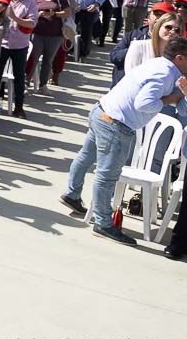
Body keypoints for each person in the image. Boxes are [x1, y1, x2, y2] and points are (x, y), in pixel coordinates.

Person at [59, 36, 187, 246]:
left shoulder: (160, 65)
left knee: (86, 156)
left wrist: (182, 95)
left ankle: (72, 194)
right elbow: (144, 104)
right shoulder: (165, 74)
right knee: (107, 175)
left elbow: (182, 109)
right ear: (180, 58)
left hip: (102, 112)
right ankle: (103, 223)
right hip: (116, 124)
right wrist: (170, 99)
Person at [0, 0, 38, 120]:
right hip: (2, 43)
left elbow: (32, 23)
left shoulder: (30, 3)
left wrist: (15, 18)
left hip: (20, 45)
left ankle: (19, 107)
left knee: (19, 77)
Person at [30, 0, 71, 93]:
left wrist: (55, 14)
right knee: (33, 58)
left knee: (48, 60)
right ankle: (26, 82)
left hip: (55, 35)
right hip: (38, 33)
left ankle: (43, 85)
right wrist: (39, 14)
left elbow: (67, 12)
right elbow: (30, 14)